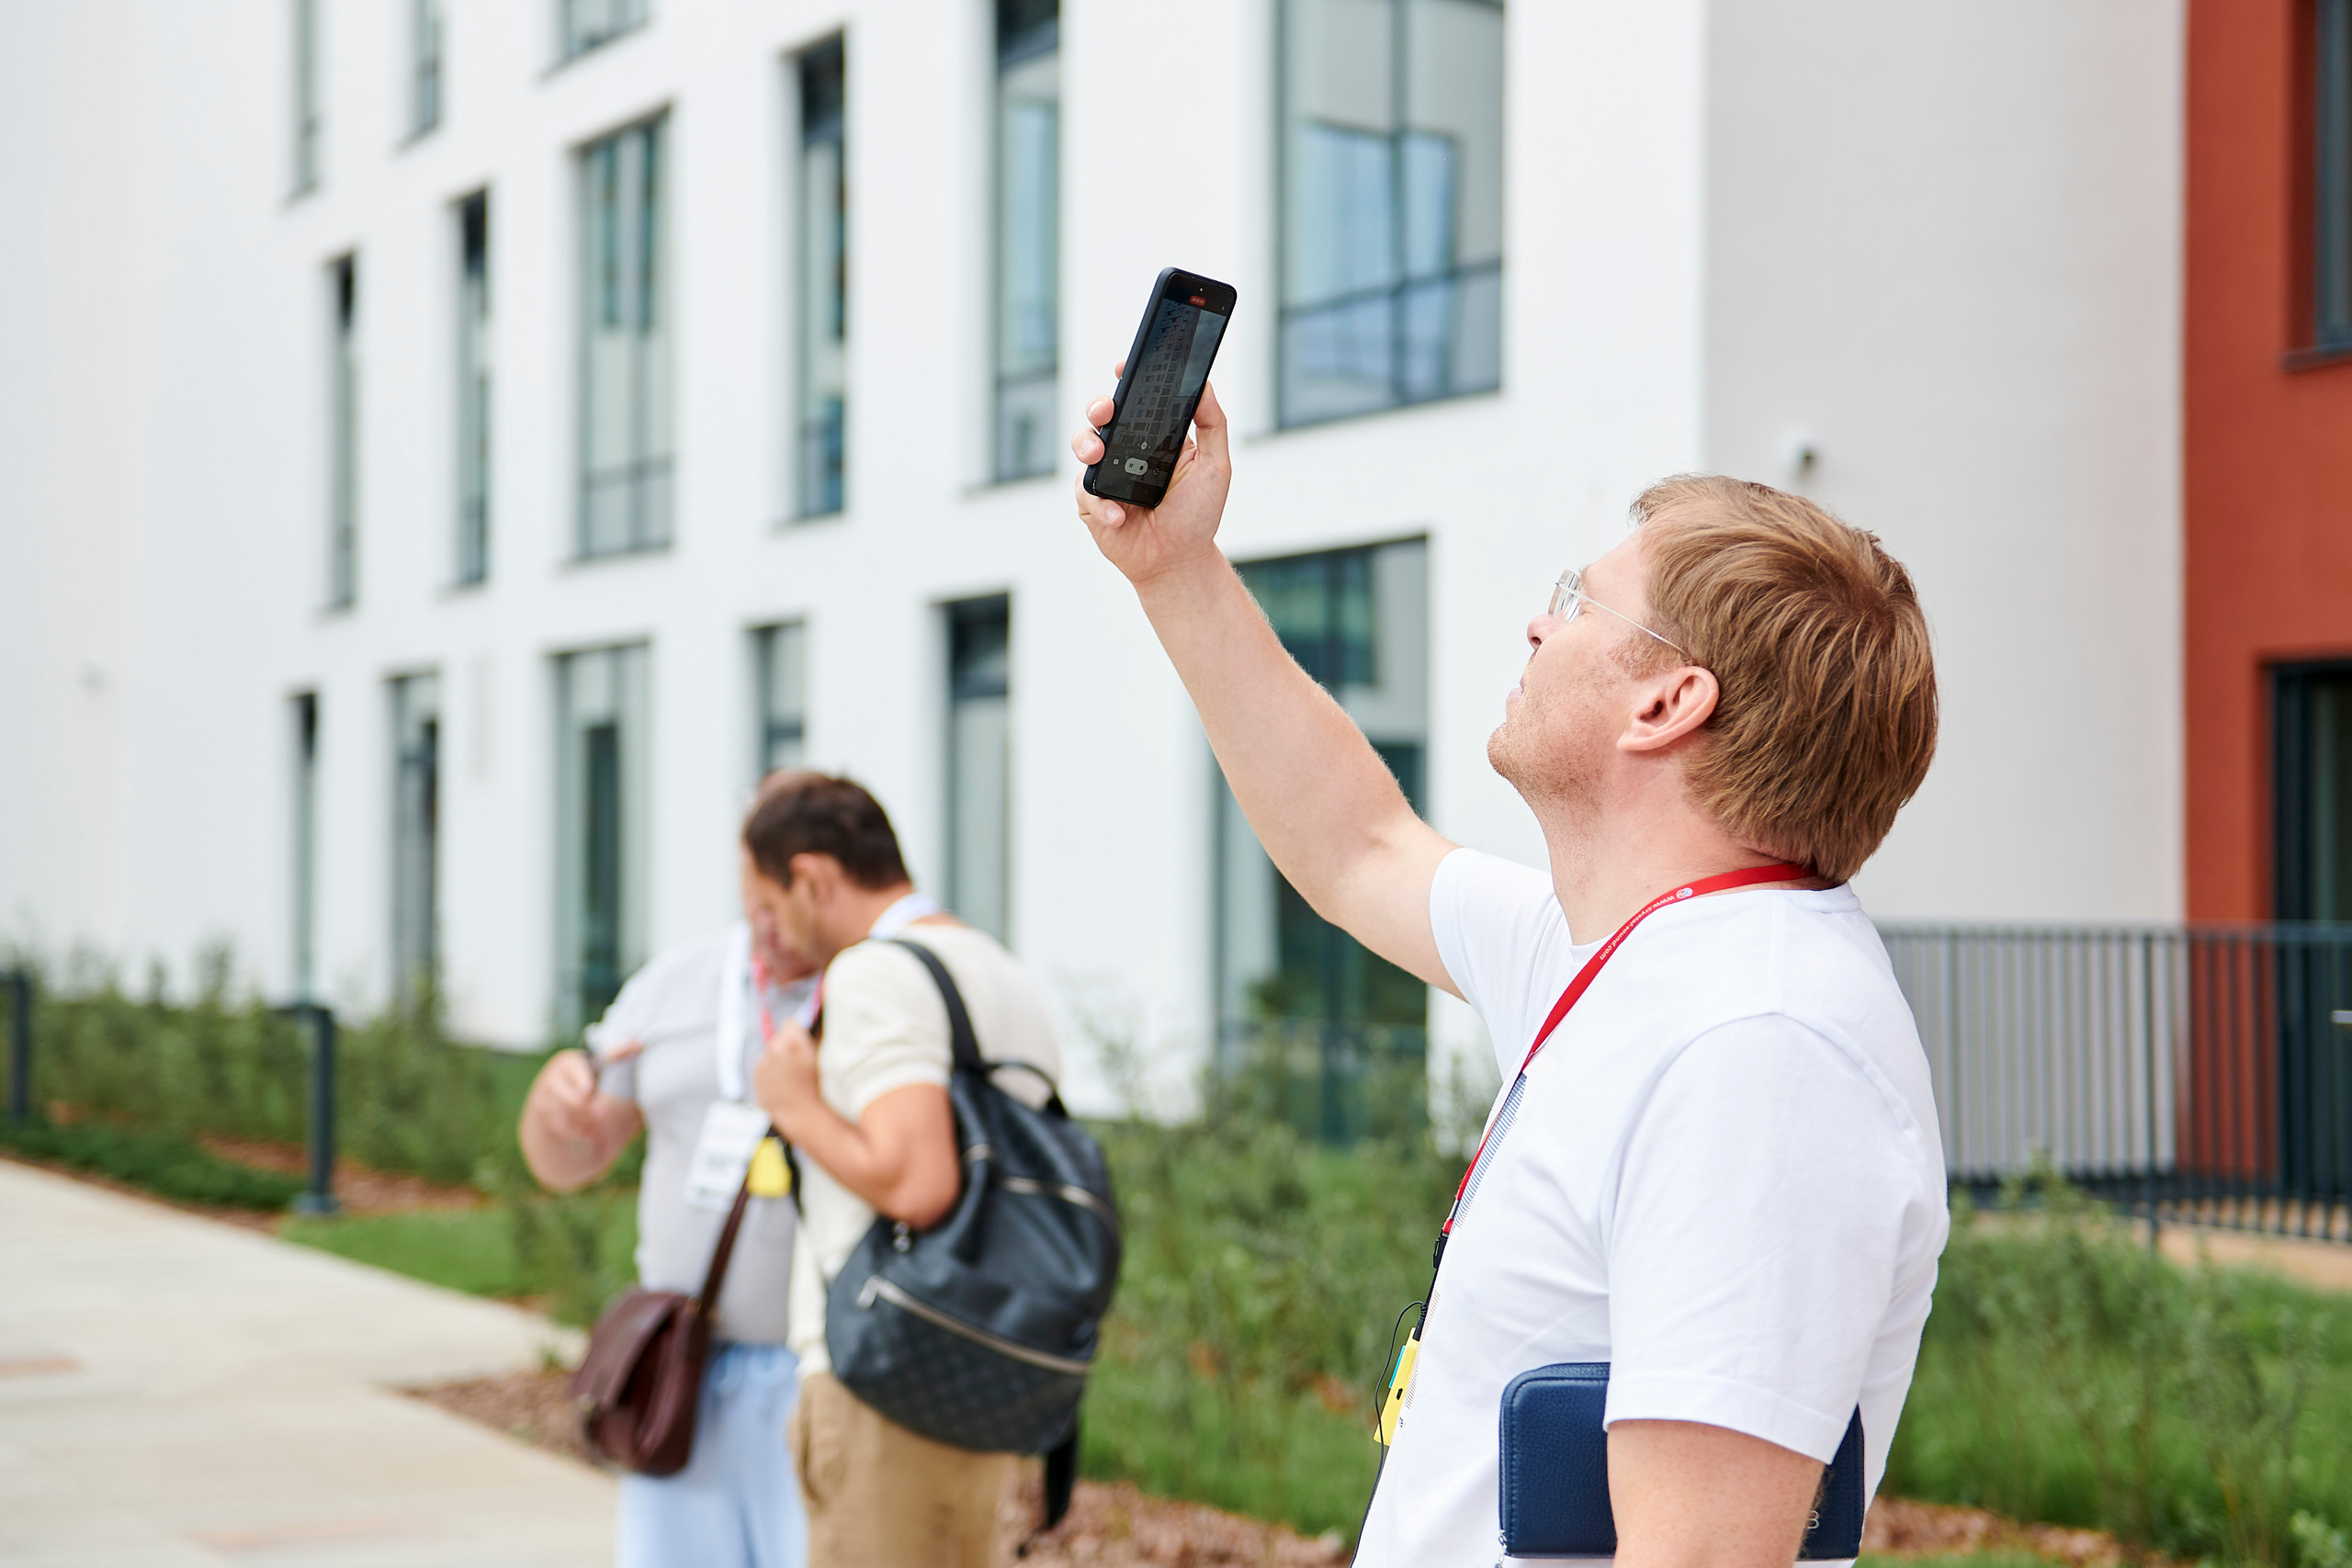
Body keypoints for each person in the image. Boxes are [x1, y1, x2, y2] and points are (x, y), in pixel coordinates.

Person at [1070, 381, 1947, 1565]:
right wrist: (1175, 566)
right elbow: (1357, 847)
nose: (1539, 626)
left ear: (1668, 699)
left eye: (1576, 602)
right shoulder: (1634, 951)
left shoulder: (1760, 1047)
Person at [740, 773, 1060, 1568]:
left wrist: (796, 1104)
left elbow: (919, 1184)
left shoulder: (875, 971)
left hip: (878, 1371)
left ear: (813, 878)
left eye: (771, 910)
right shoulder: (992, 965)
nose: (770, 938)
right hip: (976, 1360)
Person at [517, 773, 820, 1568]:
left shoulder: (878, 990)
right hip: (682, 1368)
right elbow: (572, 1160)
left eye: (791, 899)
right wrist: (553, 1110)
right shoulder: (674, 983)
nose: (773, 926)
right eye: (759, 899)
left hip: (825, 1374)